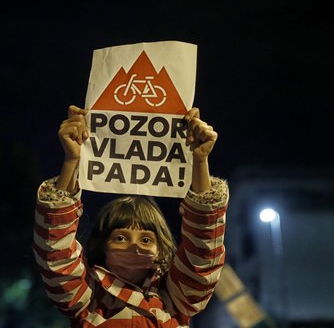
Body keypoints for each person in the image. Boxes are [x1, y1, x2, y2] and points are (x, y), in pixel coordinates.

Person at [33, 105, 229, 327]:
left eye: (146, 239)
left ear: (161, 250)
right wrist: (71, 160)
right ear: (102, 245)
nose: (133, 247)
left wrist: (200, 159)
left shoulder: (176, 299)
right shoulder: (86, 298)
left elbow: (202, 250)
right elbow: (56, 252)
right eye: (120, 237)